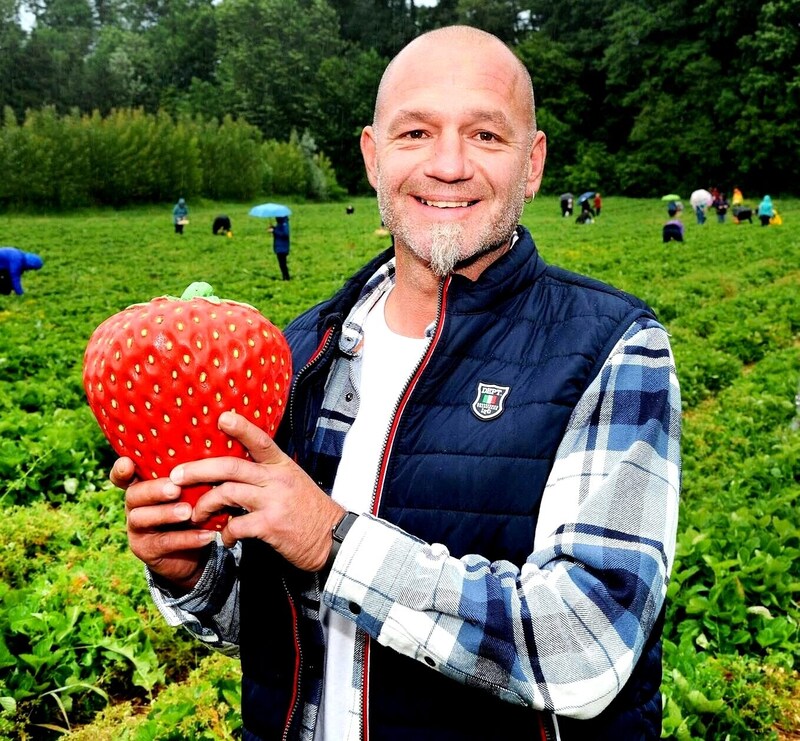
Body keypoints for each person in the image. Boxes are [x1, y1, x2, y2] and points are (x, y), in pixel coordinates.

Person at [115, 25, 680, 741]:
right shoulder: (297, 353)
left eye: (485, 135)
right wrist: (190, 568)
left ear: (532, 164)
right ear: (373, 156)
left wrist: (333, 540)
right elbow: (269, 630)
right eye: (415, 133)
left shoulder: (613, 346)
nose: (448, 165)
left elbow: (588, 645)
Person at [269, 215, 291, 280]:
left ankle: (286, 278)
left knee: (283, 264)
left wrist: (274, 231)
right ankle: (285, 277)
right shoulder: (280, 224)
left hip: (282, 247)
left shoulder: (284, 224)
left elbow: (285, 234)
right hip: (279, 246)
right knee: (282, 264)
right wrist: (273, 228)